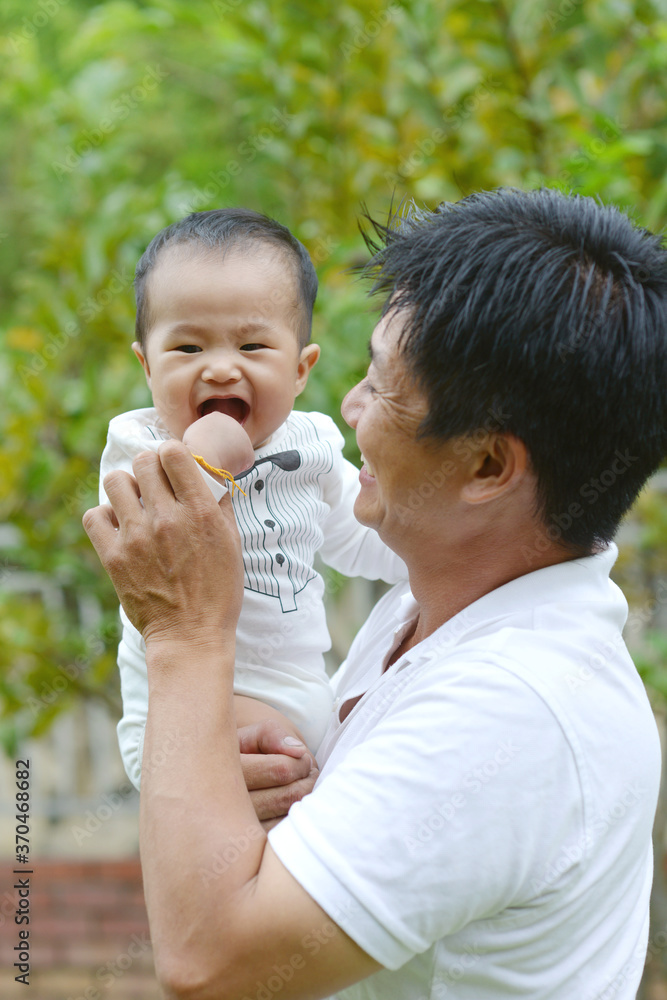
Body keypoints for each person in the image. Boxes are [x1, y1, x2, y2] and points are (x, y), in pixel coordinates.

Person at [84, 187, 667, 999]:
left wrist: (182, 635)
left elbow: (212, 963)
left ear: (488, 467)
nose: (349, 408)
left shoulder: (512, 711)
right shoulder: (438, 598)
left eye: (384, 386)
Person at [99, 208, 406, 787]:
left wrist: (438, 549)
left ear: (300, 369)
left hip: (303, 686)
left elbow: (365, 541)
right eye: (187, 348)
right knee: (275, 787)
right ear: (146, 365)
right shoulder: (138, 444)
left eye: (252, 345)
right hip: (194, 699)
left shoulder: (312, 443)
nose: (220, 368)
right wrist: (204, 459)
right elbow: (149, 533)